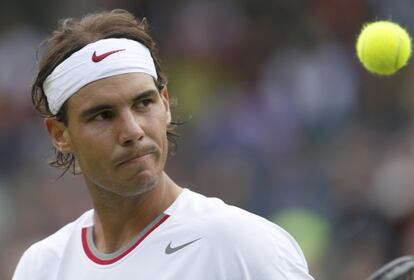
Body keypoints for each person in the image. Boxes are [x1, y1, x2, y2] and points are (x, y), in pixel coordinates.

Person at [13, 9, 314, 279]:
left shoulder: (242, 245)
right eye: (103, 115)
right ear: (59, 134)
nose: (132, 131)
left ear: (165, 104)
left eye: (143, 103)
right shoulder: (40, 266)